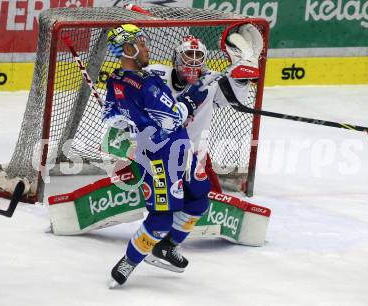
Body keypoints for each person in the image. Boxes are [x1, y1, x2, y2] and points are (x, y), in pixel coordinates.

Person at [142, 25, 263, 271]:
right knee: (165, 206)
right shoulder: (156, 76)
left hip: (193, 154)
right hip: (160, 151)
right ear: (176, 58)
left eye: (199, 58)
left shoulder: (211, 84)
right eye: (189, 57)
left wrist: (242, 74)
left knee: (199, 202)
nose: (193, 63)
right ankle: (146, 245)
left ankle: (167, 245)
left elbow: (236, 97)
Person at [103, 24, 210, 288]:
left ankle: (167, 247)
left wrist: (124, 121)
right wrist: (190, 101)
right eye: (142, 42)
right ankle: (129, 261)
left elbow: (109, 114)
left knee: (198, 200)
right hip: (159, 160)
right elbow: (173, 119)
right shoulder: (147, 84)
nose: (148, 47)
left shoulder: (115, 79)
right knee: (161, 220)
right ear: (129, 49)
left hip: (181, 151)